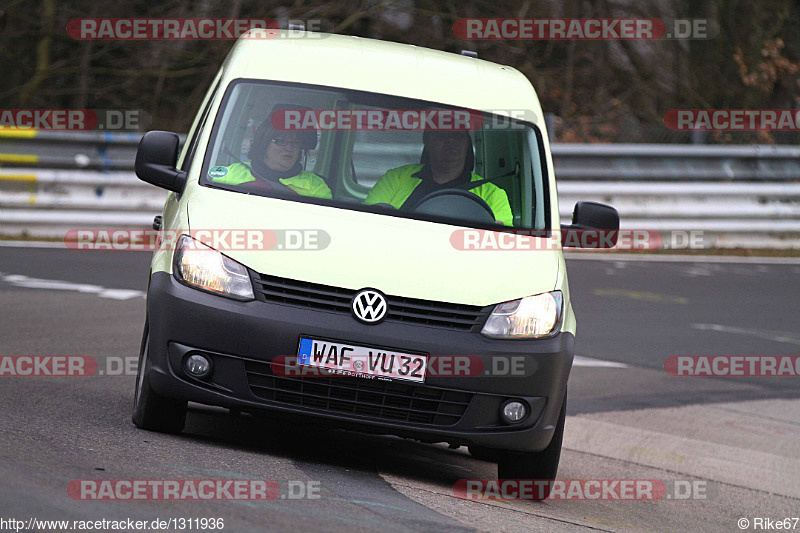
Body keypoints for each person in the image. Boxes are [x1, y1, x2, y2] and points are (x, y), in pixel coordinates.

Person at [363, 130, 513, 226]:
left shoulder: (494, 194)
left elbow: (501, 242)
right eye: (443, 134)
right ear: (427, 140)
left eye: (458, 134)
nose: (451, 140)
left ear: (467, 142)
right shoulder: (395, 178)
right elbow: (367, 222)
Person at [209, 111, 332, 199]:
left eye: (295, 143)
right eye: (280, 141)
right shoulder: (231, 174)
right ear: (264, 144)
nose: (289, 148)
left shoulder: (315, 186)